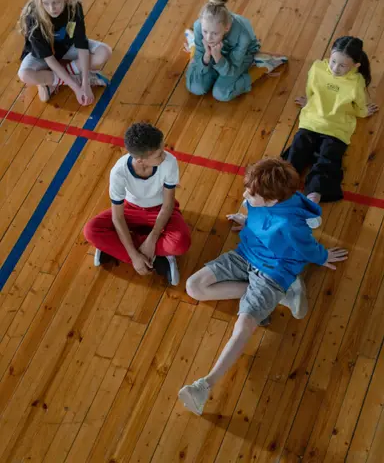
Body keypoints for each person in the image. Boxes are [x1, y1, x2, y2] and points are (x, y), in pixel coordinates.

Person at [178, 158, 347, 415]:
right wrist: (246, 221)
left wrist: (324, 257)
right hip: (245, 254)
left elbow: (308, 248)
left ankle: (205, 385)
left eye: (251, 193)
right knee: (194, 286)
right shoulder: (259, 200)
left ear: (272, 201)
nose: (245, 194)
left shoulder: (292, 225)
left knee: (244, 325)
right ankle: (282, 297)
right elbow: (257, 215)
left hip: (273, 272)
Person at [83, 122, 191, 285]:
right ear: (141, 161)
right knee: (91, 231)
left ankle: (115, 247)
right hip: (130, 209)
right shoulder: (119, 172)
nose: (164, 155)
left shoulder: (169, 162)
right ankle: (156, 259)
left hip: (160, 209)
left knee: (181, 243)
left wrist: (152, 239)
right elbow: (118, 217)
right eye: (159, 154)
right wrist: (134, 257)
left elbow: (168, 205)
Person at [282, 36, 379, 203]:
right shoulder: (318, 68)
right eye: (333, 61)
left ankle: (313, 195)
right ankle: (283, 186)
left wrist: (363, 111)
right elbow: (311, 89)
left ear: (356, 65)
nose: (335, 68)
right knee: (304, 153)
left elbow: (359, 104)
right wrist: (309, 101)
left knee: (323, 158)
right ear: (330, 55)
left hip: (334, 129)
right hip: (316, 123)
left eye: (342, 65)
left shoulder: (356, 82)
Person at [18, 0, 112, 104]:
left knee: (105, 52)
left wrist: (85, 84)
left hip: (66, 47)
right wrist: (76, 88)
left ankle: (51, 81)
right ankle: (71, 77)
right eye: (46, 3)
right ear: (40, 1)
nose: (52, 8)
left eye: (56, 2)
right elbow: (49, 59)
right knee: (25, 75)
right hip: (43, 56)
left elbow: (82, 46)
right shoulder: (33, 18)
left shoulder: (74, 8)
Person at [185, 0, 286, 102]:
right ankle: (193, 46)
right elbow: (201, 55)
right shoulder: (199, 26)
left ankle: (261, 66)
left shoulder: (243, 37)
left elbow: (231, 69)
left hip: (241, 56)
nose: (208, 38)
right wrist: (206, 58)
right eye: (205, 31)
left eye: (214, 33)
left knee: (221, 93)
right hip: (214, 52)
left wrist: (218, 58)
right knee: (195, 87)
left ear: (227, 28)